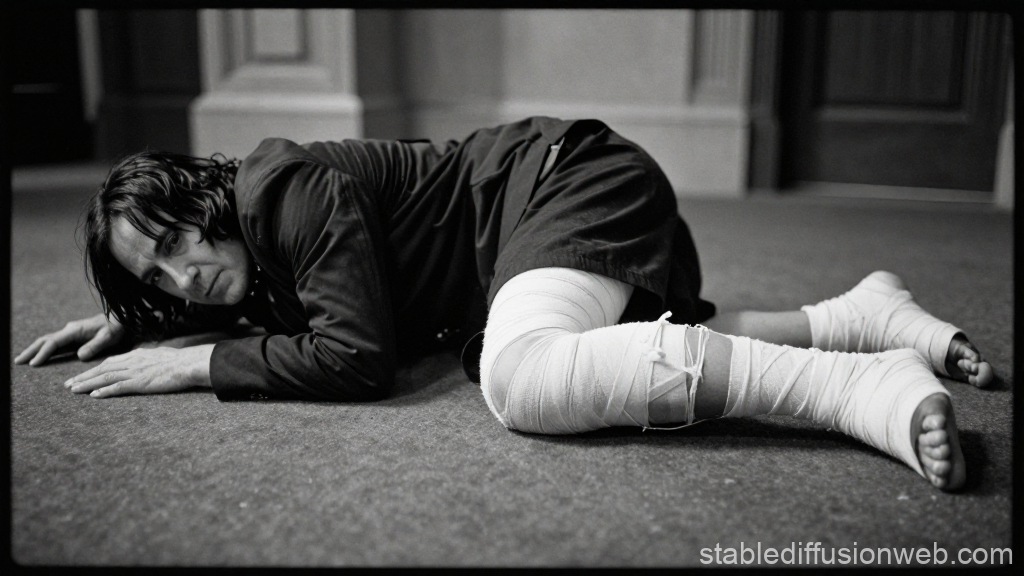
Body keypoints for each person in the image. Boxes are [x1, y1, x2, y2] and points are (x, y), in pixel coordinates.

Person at [15, 117, 993, 492]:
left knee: (522, 380)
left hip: (563, 183)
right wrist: (148, 320)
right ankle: (860, 317)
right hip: (529, 242)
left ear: (206, 203)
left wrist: (193, 360)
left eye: (179, 244)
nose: (183, 278)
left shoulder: (282, 191)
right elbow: (254, 298)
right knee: (572, 352)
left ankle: (856, 389)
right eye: (156, 280)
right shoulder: (237, 247)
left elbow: (356, 358)